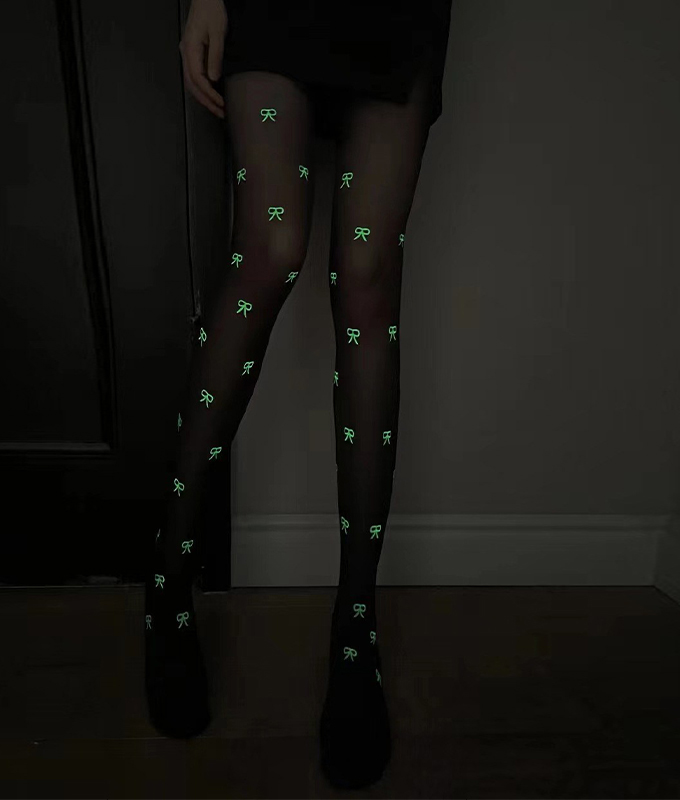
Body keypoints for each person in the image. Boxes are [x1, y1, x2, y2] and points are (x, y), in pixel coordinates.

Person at [144, 0, 453, 789]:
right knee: (271, 249)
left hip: (397, 20)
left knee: (368, 279)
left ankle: (357, 627)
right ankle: (169, 582)